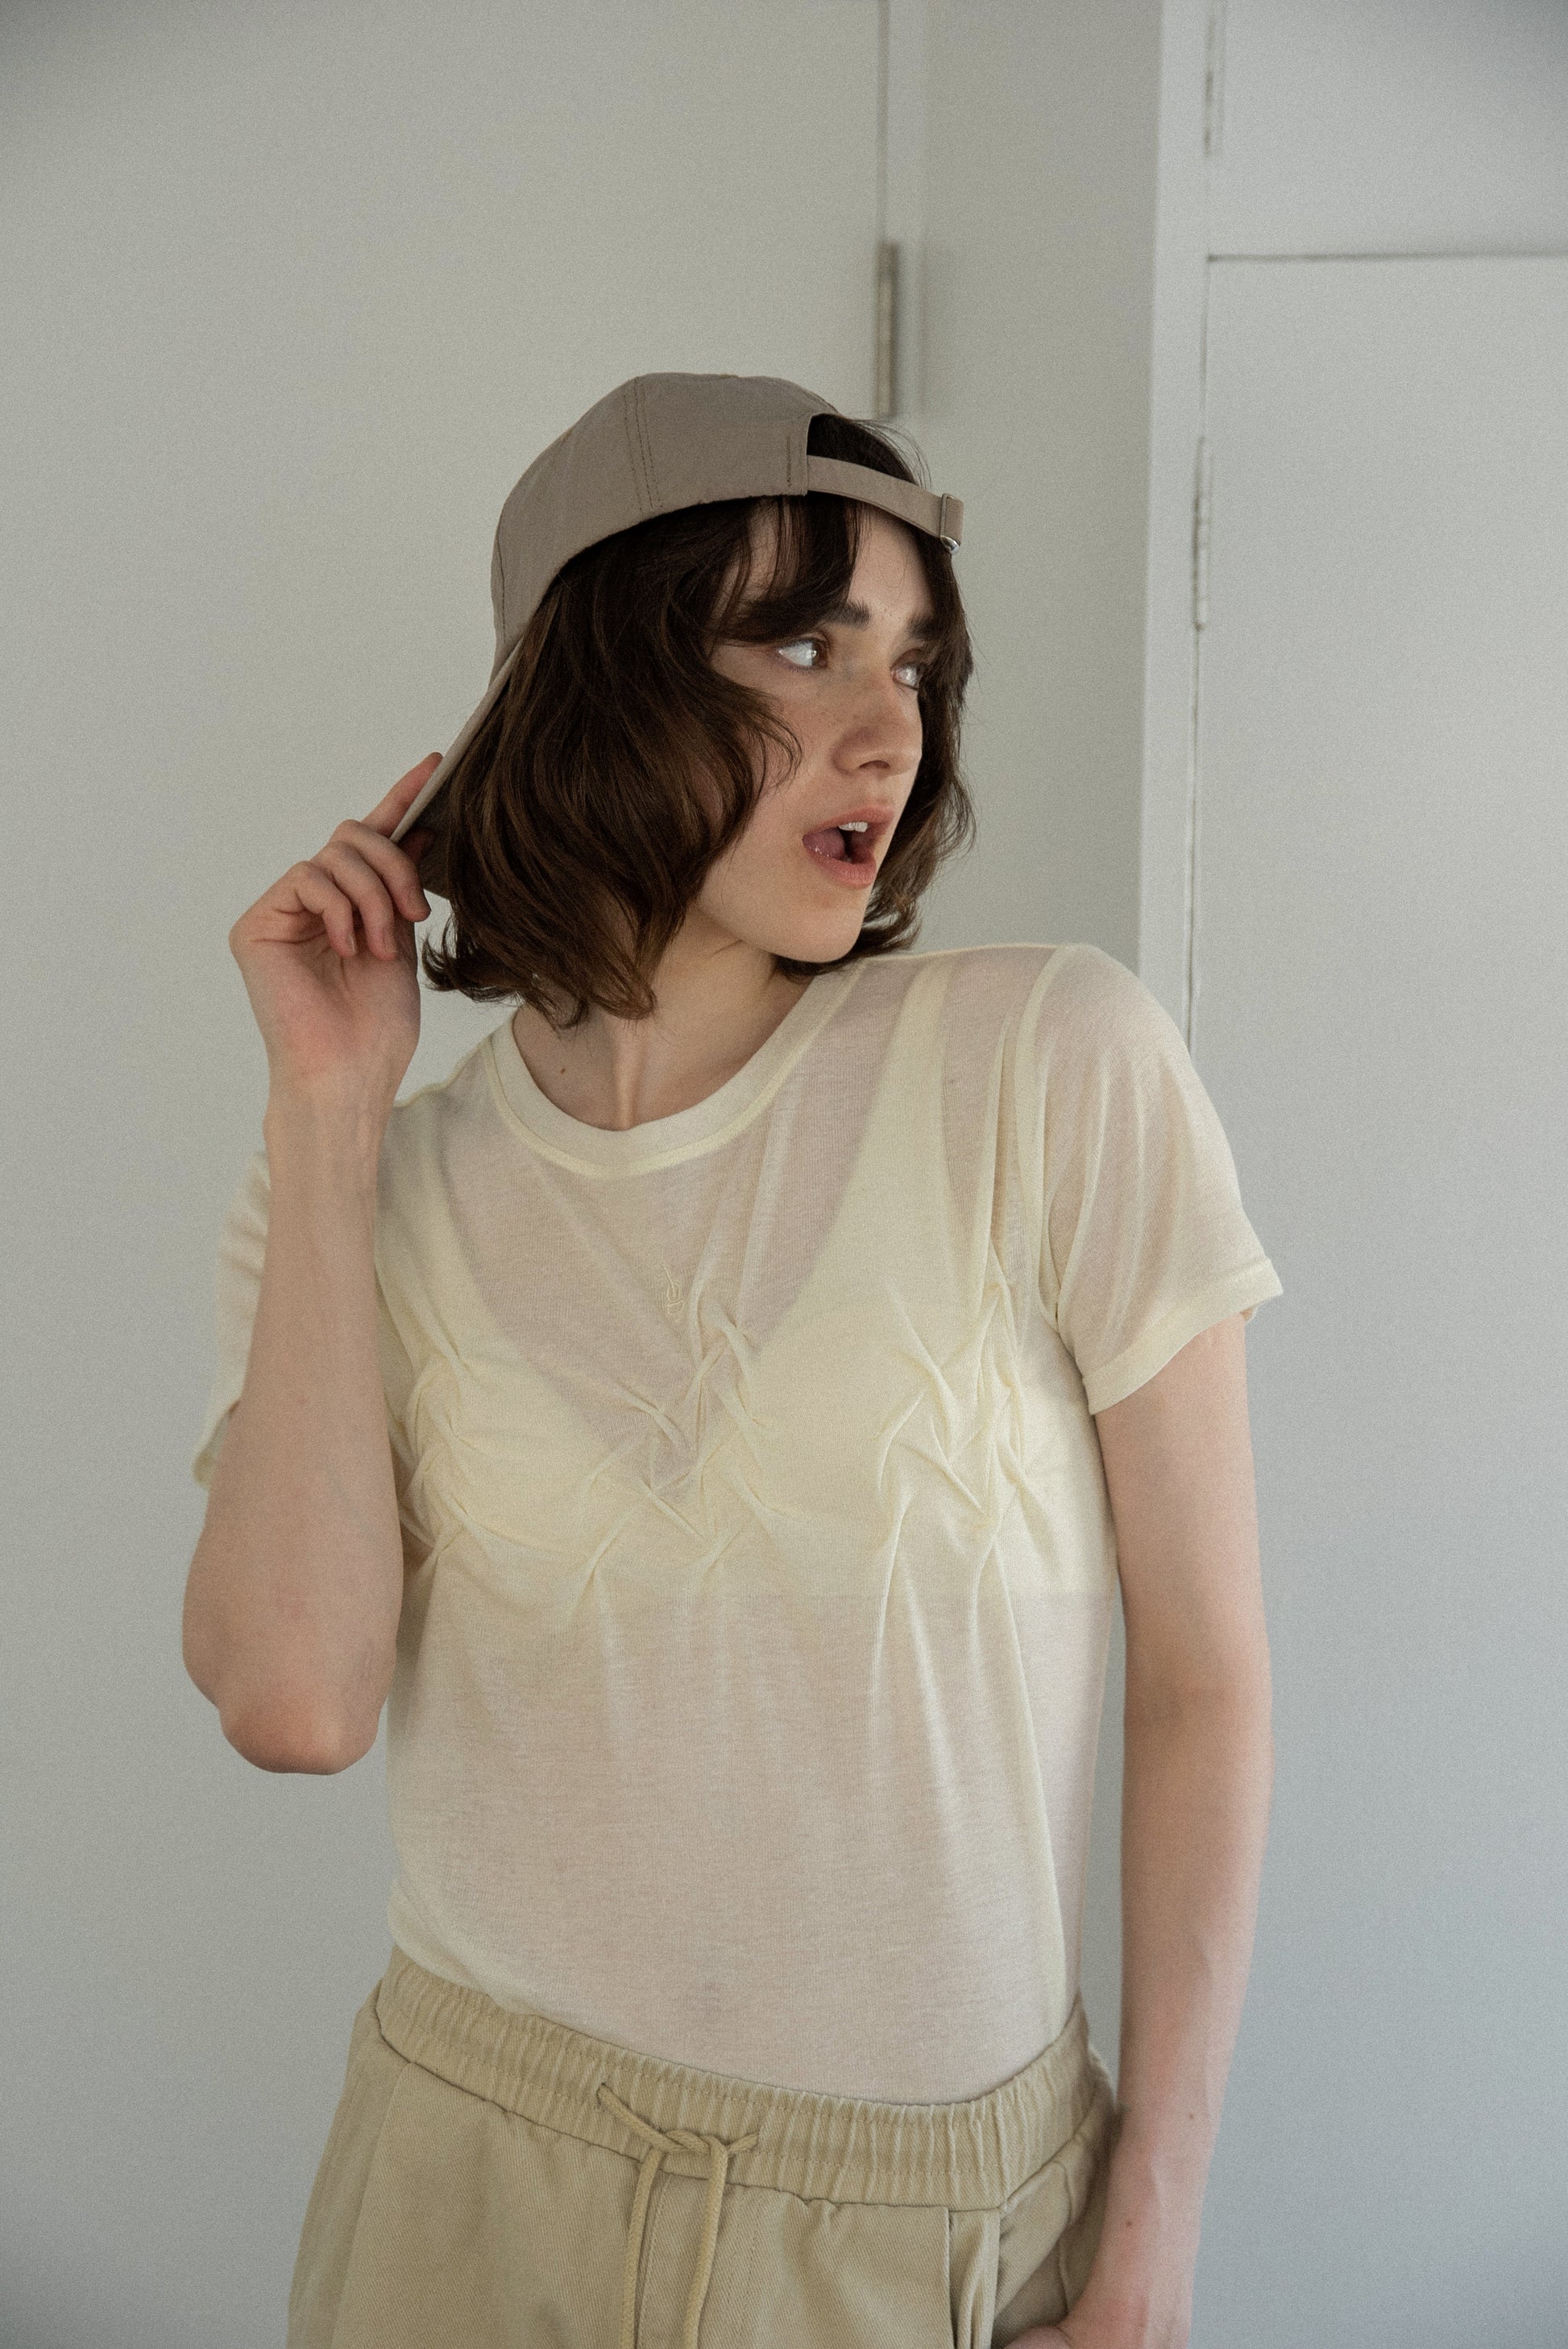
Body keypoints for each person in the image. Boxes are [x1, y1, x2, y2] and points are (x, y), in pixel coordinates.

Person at [182, 373, 1282, 2349]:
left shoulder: (1048, 1060)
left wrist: (1150, 2257)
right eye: (802, 646)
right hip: (464, 2193)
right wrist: (328, 1113)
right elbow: (293, 1700)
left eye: (916, 666)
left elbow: (1205, 1676)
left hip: (937, 2233)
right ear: (596, 680)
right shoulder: (366, 1183)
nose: (892, 730)